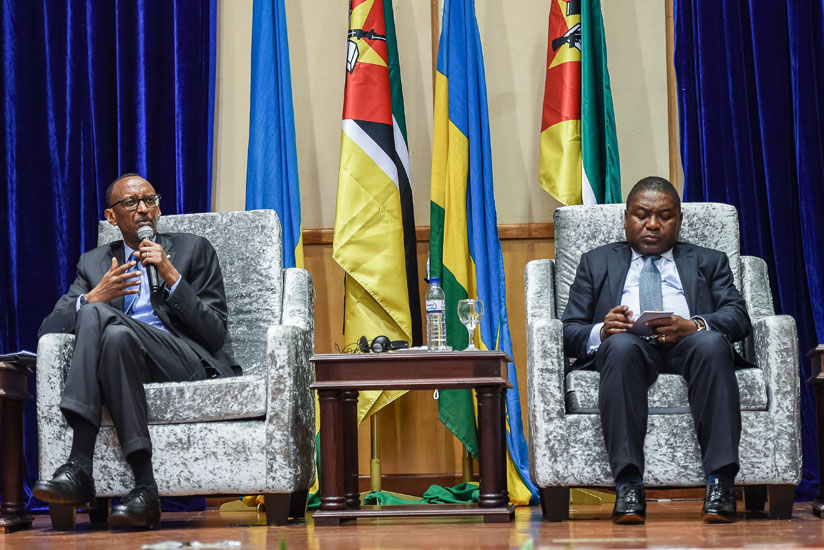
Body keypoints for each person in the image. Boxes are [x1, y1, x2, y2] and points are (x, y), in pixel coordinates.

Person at [34, 173, 239, 529]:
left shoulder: (193, 248)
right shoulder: (94, 263)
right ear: (111, 217)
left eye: (150, 200)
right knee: (113, 337)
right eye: (130, 202)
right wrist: (93, 296)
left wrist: (171, 274)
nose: (143, 209)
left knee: (98, 317)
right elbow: (48, 329)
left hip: (182, 359)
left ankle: (80, 463)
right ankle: (145, 489)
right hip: (124, 361)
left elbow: (214, 333)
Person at [562, 176, 751, 524]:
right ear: (626, 218)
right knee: (618, 347)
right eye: (641, 215)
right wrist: (602, 330)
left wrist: (693, 325)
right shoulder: (596, 261)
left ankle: (721, 484)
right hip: (629, 348)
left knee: (711, 343)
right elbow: (569, 330)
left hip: (688, 345)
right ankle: (629, 485)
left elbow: (738, 317)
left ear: (679, 219)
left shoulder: (709, 261)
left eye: (664, 216)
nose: (652, 224)